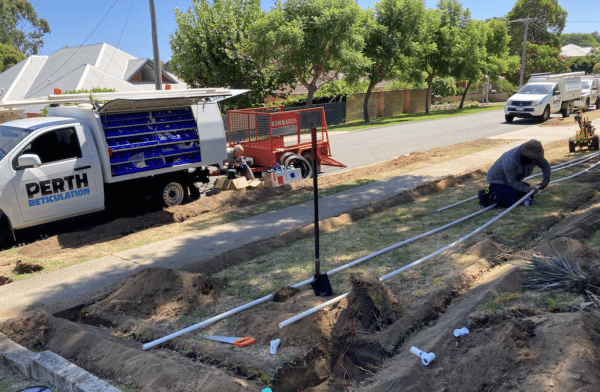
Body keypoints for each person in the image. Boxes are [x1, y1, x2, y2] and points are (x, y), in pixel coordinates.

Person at [478, 139, 551, 208]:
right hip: (497, 181)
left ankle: (508, 193)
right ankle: (487, 194)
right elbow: (512, 181)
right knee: (511, 201)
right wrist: (527, 188)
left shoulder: (536, 155)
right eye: (531, 157)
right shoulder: (510, 160)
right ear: (525, 153)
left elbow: (545, 166)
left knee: (528, 196)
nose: (534, 159)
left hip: (512, 181)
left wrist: (545, 181)